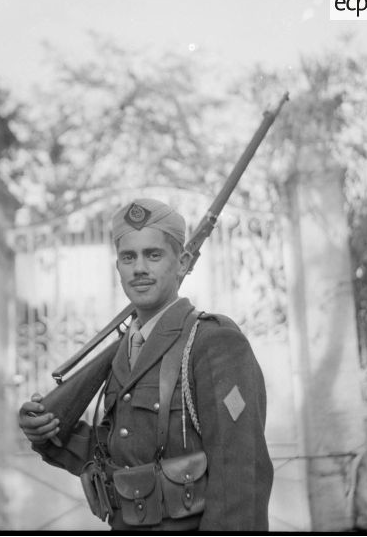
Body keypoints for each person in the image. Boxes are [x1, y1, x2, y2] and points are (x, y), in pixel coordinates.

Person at [19, 198, 273, 531]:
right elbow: (117, 454)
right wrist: (47, 431)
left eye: (153, 255)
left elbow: (241, 474)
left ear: (182, 263)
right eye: (129, 257)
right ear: (119, 268)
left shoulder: (212, 342)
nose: (139, 268)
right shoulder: (122, 352)